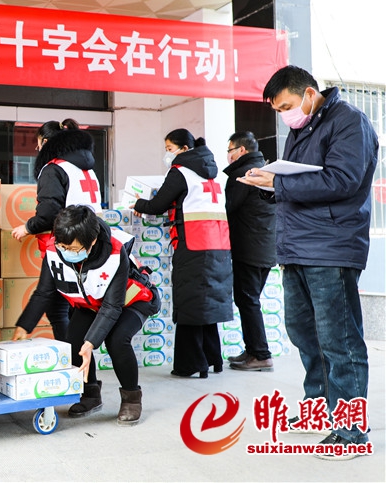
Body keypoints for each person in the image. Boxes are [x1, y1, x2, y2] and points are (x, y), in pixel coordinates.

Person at [238, 65, 377, 459]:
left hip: (331, 246)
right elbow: (297, 185)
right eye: (278, 110)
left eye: (286, 107)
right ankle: (318, 409)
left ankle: (351, 431)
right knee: (303, 332)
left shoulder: (349, 122)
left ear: (309, 94)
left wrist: (279, 183)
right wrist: (267, 185)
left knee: (339, 339)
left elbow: (343, 180)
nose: (285, 115)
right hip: (297, 246)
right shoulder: (303, 129)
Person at [15, 205, 160, 424]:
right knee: (74, 340)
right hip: (92, 303)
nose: (67, 252)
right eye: (63, 246)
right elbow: (44, 292)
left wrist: (91, 342)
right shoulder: (55, 250)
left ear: (92, 241)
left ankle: (131, 398)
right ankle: (90, 394)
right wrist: (24, 326)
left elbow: (112, 306)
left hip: (131, 301)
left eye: (73, 249)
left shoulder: (115, 253)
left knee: (117, 340)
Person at [131, 129, 233, 378]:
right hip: (219, 244)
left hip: (193, 244)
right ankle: (213, 359)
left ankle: (191, 364)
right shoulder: (215, 173)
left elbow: (158, 204)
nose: (167, 154)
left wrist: (138, 204)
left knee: (190, 303)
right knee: (207, 303)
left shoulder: (181, 172)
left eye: (169, 149)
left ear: (184, 149)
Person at [11, 120, 102, 343]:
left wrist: (27, 227)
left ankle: (73, 361)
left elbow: (49, 213)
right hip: (91, 243)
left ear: (46, 142)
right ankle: (80, 364)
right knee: (71, 309)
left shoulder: (53, 169)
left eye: (38, 143)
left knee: (54, 304)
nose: (37, 148)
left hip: (67, 243)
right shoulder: (86, 168)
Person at [222, 131, 276, 372]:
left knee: (247, 300)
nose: (228, 155)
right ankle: (253, 350)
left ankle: (261, 354)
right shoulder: (264, 170)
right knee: (249, 299)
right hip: (265, 246)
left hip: (249, 247)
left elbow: (229, 207)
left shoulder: (243, 174)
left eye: (229, 150)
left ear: (241, 150)